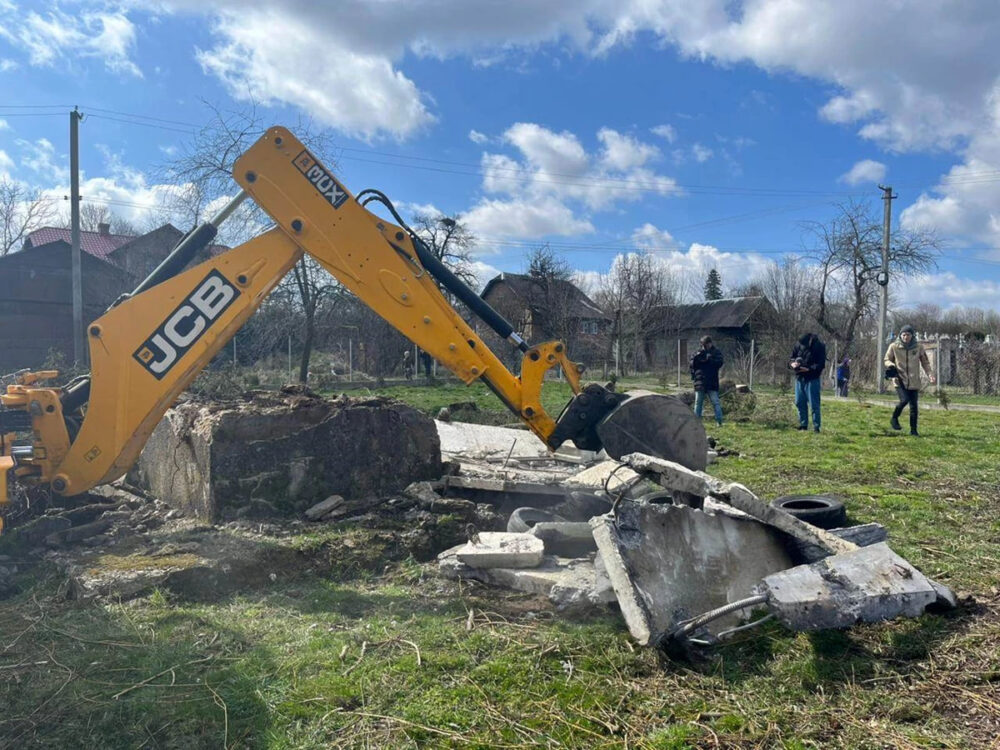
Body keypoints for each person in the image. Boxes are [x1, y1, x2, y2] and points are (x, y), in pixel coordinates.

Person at [884, 325, 935, 436]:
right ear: (900, 335)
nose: (906, 337)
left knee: (914, 406)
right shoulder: (894, 346)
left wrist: (930, 374)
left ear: (912, 336)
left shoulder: (918, 347)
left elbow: (925, 362)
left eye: (908, 335)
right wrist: (891, 365)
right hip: (899, 379)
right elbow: (887, 359)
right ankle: (894, 418)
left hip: (914, 380)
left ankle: (914, 430)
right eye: (904, 335)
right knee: (904, 400)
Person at [789, 332, 827, 432]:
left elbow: (821, 364)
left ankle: (816, 427)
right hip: (799, 378)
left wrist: (809, 369)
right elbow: (791, 358)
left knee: (814, 404)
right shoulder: (798, 344)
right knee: (799, 402)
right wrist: (792, 364)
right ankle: (803, 425)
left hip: (812, 378)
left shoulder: (819, 346)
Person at [690, 335, 724, 426]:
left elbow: (719, 363)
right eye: (703, 345)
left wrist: (710, 359)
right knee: (698, 403)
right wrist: (697, 358)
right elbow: (692, 365)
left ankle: (719, 421)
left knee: (715, 402)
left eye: (706, 345)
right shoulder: (698, 352)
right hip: (700, 381)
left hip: (712, 381)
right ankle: (696, 423)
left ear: (710, 343)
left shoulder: (716, 352)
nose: (704, 347)